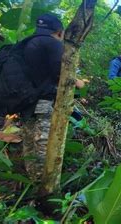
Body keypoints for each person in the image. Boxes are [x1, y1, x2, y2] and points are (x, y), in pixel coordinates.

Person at [21, 14, 84, 181]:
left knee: (29, 140)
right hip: (44, 99)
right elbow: (61, 74)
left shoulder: (28, 43)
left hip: (26, 100)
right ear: (60, 32)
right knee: (43, 140)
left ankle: (31, 180)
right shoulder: (53, 44)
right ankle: (43, 185)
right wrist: (78, 82)